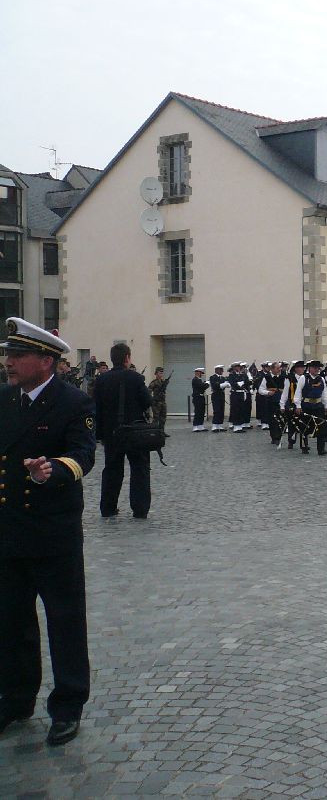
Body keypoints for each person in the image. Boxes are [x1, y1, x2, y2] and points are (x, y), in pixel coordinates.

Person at [0, 317, 97, 746]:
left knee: (64, 620)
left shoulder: (72, 402)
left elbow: (83, 455)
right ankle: (16, 698)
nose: (9, 363)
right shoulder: (4, 399)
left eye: (17, 356)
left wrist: (51, 470)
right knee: (12, 621)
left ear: (46, 361)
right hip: (9, 531)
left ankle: (68, 705)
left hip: (52, 532)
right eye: (7, 355)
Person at [92, 343, 153, 519]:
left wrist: (100, 434)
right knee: (139, 469)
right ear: (127, 358)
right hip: (135, 432)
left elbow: (96, 407)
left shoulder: (102, 380)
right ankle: (140, 509)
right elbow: (147, 401)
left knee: (111, 470)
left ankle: (108, 508)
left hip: (112, 432)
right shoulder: (136, 378)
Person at [227, 362, 253, 433]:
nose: (238, 368)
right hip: (235, 393)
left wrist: (243, 382)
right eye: (237, 366)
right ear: (234, 368)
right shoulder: (231, 375)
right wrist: (239, 383)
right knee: (236, 410)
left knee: (242, 409)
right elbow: (232, 383)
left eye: (239, 366)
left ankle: (240, 426)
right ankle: (236, 426)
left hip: (242, 393)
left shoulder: (243, 375)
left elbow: (247, 382)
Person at [208, 365, 229, 432]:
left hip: (221, 395)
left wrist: (224, 385)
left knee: (221, 410)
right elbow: (215, 386)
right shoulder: (212, 377)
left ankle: (220, 425)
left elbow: (226, 385)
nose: (222, 371)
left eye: (222, 370)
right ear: (216, 370)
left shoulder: (222, 378)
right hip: (216, 395)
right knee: (216, 410)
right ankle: (214, 426)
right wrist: (223, 385)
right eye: (221, 370)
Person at [190, 366, 208, 431]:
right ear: (197, 373)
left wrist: (205, 383)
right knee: (197, 412)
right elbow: (202, 387)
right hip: (197, 398)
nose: (201, 374)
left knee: (202, 412)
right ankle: (195, 426)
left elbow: (202, 386)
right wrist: (207, 384)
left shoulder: (199, 380)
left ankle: (200, 425)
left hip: (201, 397)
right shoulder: (195, 379)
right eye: (200, 373)